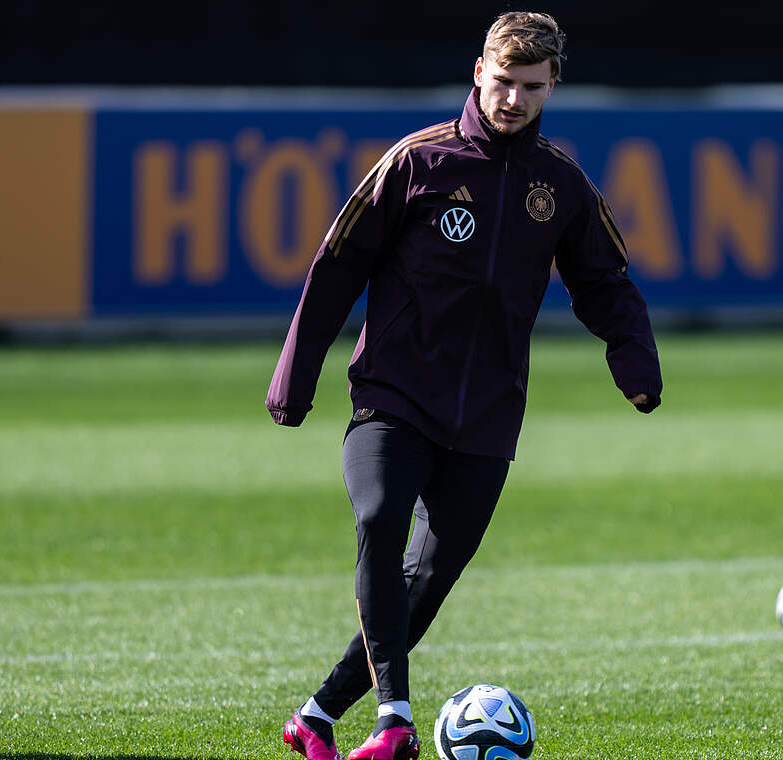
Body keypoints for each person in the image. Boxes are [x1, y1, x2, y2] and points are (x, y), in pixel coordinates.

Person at [265, 11, 662, 760]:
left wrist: (635, 366)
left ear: (551, 88)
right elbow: (337, 265)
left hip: (487, 416)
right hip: (394, 396)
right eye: (503, 81)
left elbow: (605, 281)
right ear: (478, 72)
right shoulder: (418, 163)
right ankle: (393, 722)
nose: (513, 99)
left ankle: (315, 716)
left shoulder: (560, 184)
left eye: (531, 87)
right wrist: (295, 378)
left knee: (427, 583)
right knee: (380, 520)